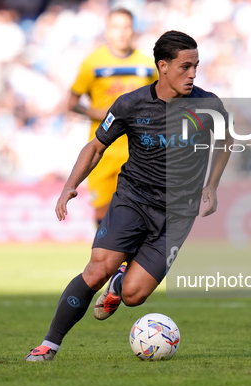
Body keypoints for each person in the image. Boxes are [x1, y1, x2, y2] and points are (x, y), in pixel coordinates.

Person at [26, 30, 233, 361]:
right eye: (185, 67)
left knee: (135, 296)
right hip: (133, 200)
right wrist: (70, 185)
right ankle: (50, 343)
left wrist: (212, 185)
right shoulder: (131, 104)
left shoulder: (208, 105)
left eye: (196, 66)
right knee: (97, 270)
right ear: (163, 67)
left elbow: (225, 140)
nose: (193, 74)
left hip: (178, 214)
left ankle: (121, 283)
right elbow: (95, 147)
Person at [69, 7, 158, 224]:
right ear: (107, 31)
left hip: (138, 152)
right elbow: (72, 102)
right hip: (103, 151)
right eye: (116, 27)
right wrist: (96, 112)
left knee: (138, 214)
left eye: (126, 27)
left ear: (133, 31)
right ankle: (106, 257)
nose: (121, 32)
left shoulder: (147, 65)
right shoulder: (93, 63)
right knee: (103, 215)